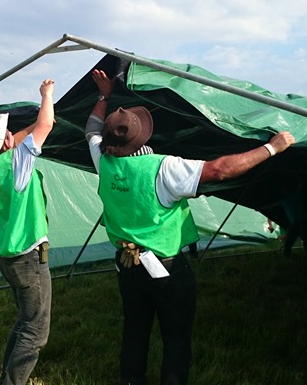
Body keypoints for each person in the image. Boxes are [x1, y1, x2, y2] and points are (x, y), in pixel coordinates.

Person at [87, 69, 295, 385]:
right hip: (167, 269)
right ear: (141, 136)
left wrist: (104, 95)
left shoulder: (102, 160)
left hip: (127, 266)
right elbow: (221, 170)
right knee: (176, 339)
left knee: (135, 333)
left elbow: (91, 130)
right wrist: (272, 148)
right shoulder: (163, 168)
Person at [0, 79, 56, 385]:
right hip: (28, 259)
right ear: (7, 143)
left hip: (10, 258)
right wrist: (47, 95)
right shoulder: (17, 163)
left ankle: (5, 377)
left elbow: (23, 137)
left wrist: (29, 126)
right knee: (36, 330)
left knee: (25, 320)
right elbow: (45, 125)